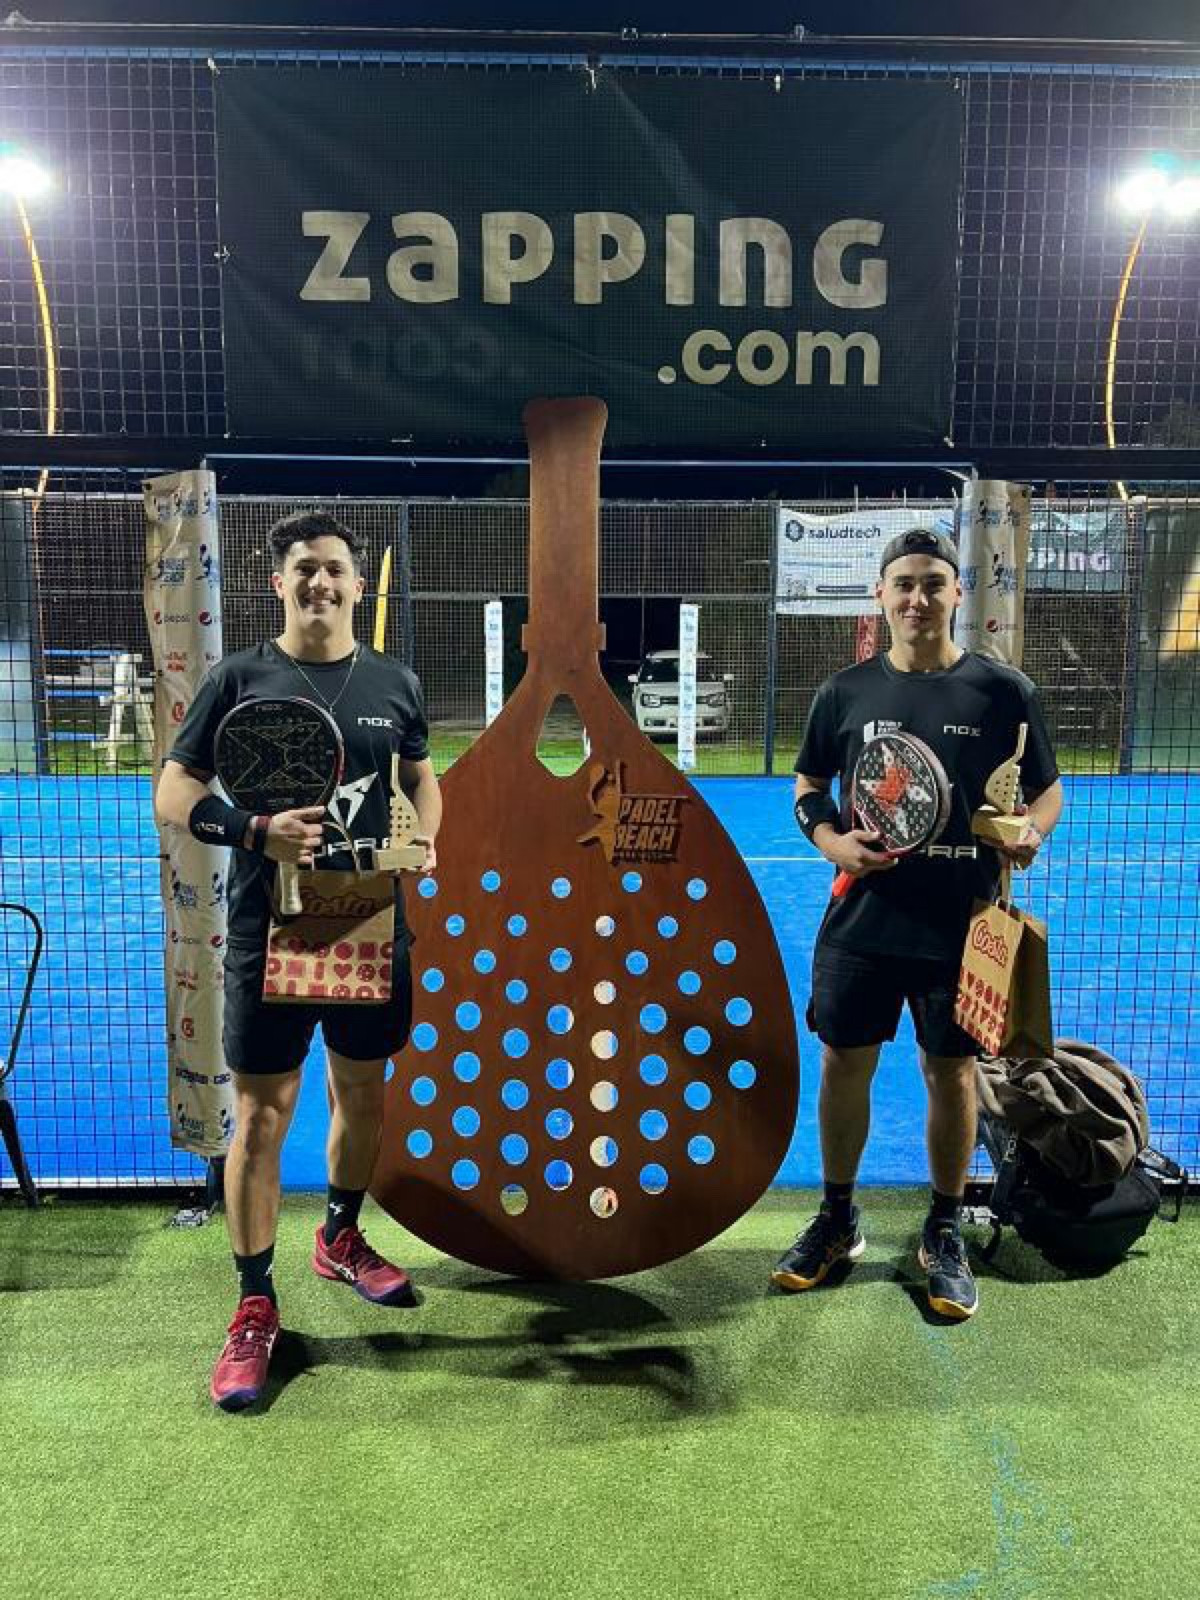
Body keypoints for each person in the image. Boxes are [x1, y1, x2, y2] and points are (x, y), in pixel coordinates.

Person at [155, 510, 442, 1409]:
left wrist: (425, 838)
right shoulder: (238, 678)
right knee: (264, 1115)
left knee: (362, 1092)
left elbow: (419, 776)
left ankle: (340, 1238)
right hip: (269, 929)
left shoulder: (394, 681)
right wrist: (253, 830)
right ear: (278, 583)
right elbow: (175, 789)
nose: (321, 582)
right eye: (305, 569)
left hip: (368, 924)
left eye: (335, 568)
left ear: (357, 584)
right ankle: (254, 1301)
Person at [773, 527, 1063, 1320]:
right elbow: (808, 784)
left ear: (957, 593)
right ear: (880, 595)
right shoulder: (844, 693)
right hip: (862, 922)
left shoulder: (1005, 692)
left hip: (964, 926)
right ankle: (837, 1218)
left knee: (952, 1074)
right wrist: (832, 840)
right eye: (903, 583)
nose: (918, 598)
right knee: (844, 1064)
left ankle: (943, 1228)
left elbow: (1046, 791)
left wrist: (1031, 833)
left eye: (933, 583)